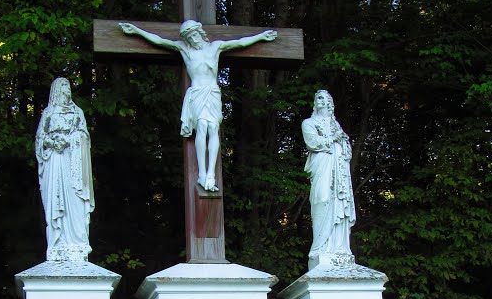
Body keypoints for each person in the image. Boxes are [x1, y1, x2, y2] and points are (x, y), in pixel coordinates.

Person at [119, 19, 277, 191]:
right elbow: (159, 40)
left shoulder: (215, 47)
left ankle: (211, 174)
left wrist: (261, 37)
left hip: (212, 92)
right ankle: (202, 174)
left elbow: (239, 43)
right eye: (188, 38)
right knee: (202, 125)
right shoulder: (184, 49)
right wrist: (137, 31)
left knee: (213, 127)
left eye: (193, 35)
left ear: (200, 33)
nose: (192, 40)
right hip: (197, 93)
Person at [35, 78, 94, 262]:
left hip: (73, 161)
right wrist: (53, 142)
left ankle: (78, 243)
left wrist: (71, 140)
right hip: (55, 161)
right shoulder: (49, 113)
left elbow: (84, 136)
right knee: (55, 198)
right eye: (62, 87)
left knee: (75, 200)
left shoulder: (78, 113)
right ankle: (58, 243)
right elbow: (40, 138)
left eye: (68, 87)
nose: (66, 91)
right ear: (55, 91)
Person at [301, 89, 356, 264]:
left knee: (338, 203)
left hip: (339, 170)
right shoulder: (309, 123)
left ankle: (339, 247)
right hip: (322, 165)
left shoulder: (336, 125)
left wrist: (342, 143)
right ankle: (319, 247)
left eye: (323, 97)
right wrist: (334, 139)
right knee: (322, 198)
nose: (319, 99)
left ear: (330, 103)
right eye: (317, 97)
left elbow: (346, 150)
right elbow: (312, 142)